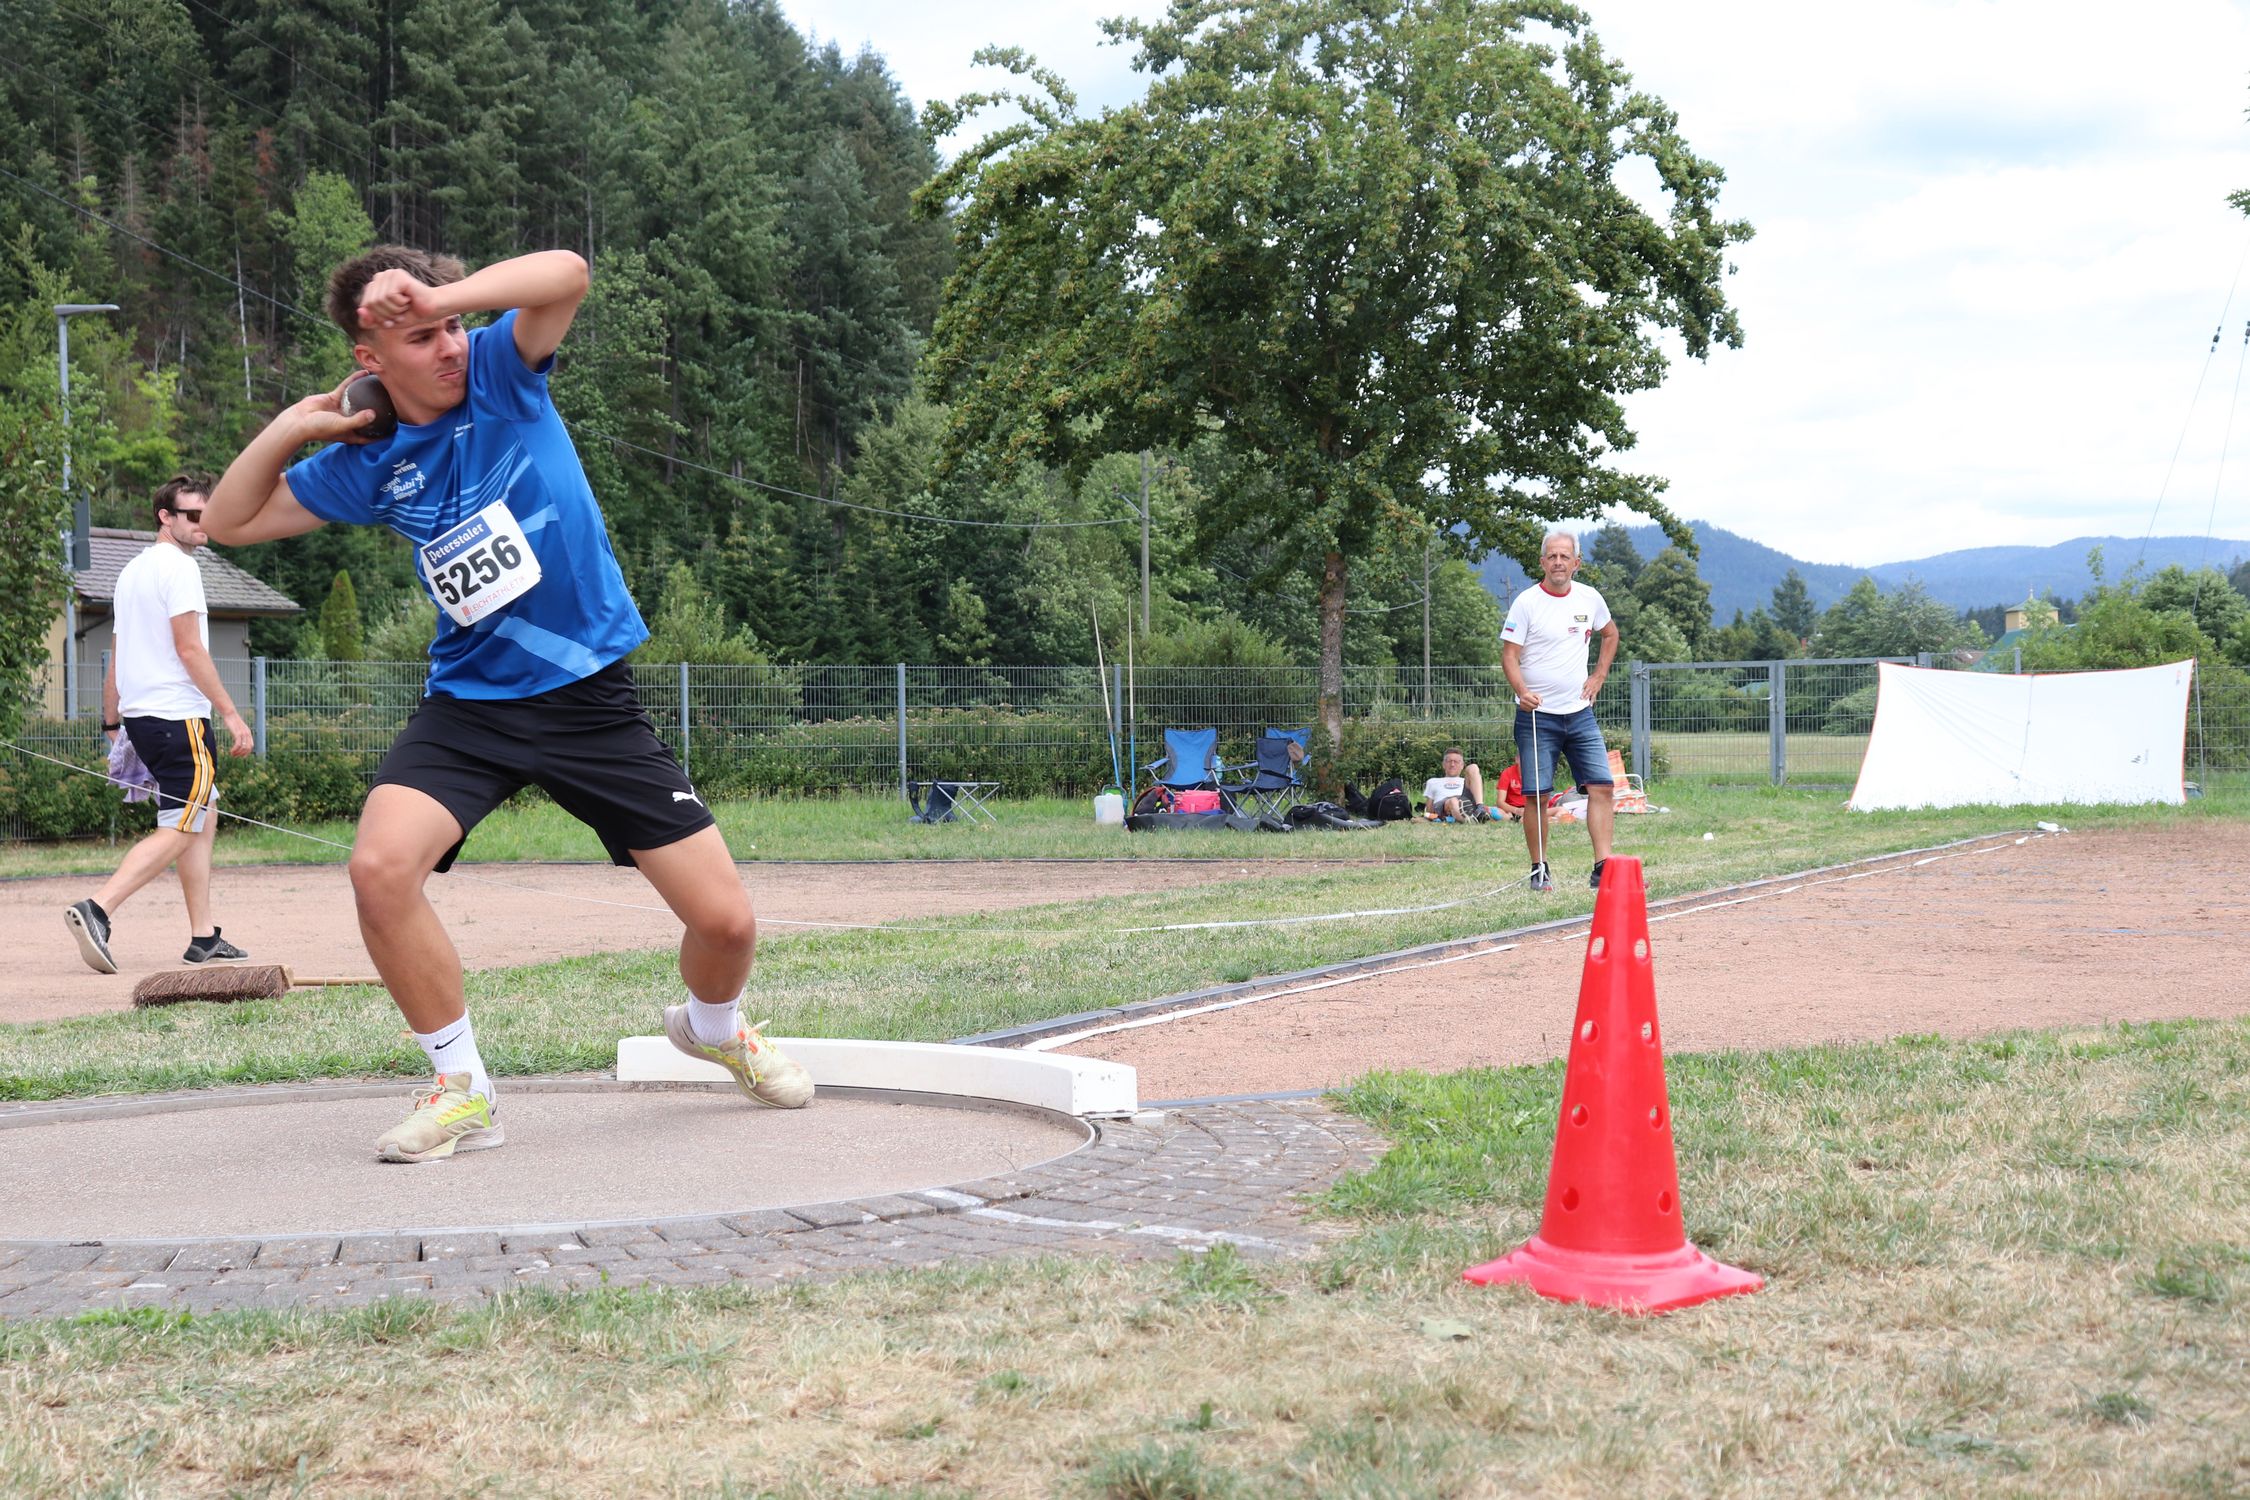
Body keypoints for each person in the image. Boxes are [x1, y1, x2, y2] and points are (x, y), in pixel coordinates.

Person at [206, 246, 808, 1164]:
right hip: (472, 709)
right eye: (419, 334)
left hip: (590, 705)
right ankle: (461, 1089)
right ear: (371, 361)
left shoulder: (500, 371)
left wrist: (441, 299)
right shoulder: (370, 462)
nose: (447, 345)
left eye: (450, 324)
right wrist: (296, 425)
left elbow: (566, 272)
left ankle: (714, 1027)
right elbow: (229, 521)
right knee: (379, 868)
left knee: (726, 924)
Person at [63, 476, 255, 975]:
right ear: (165, 517)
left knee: (202, 814)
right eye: (192, 515)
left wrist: (112, 719)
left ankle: (203, 936)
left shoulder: (131, 572)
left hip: (146, 719)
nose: (202, 524)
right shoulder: (181, 569)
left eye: (205, 516)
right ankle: (98, 908)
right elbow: (190, 648)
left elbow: (117, 653)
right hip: (178, 717)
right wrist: (232, 714)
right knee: (182, 826)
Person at [1500, 530, 1619, 892]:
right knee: (1536, 795)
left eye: (1565, 557)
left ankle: (1602, 868)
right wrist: (1522, 692)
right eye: (1551, 556)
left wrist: (1598, 676)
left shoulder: (1590, 598)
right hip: (1537, 717)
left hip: (1580, 714)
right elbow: (1509, 655)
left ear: (1576, 563)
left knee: (1601, 787)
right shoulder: (1526, 603)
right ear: (1542, 562)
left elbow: (1610, 634)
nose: (1558, 562)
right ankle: (1539, 869)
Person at [1421, 747, 1493, 822]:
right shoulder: (1433, 781)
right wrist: (1428, 816)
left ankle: (1480, 808)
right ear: (1443, 764)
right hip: (1445, 804)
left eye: (1456, 761)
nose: (1452, 764)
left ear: (1462, 765)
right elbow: (1429, 809)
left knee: (1473, 767)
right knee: (1453, 801)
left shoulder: (1467, 781)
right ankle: (1469, 821)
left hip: (1466, 801)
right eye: (1449, 761)